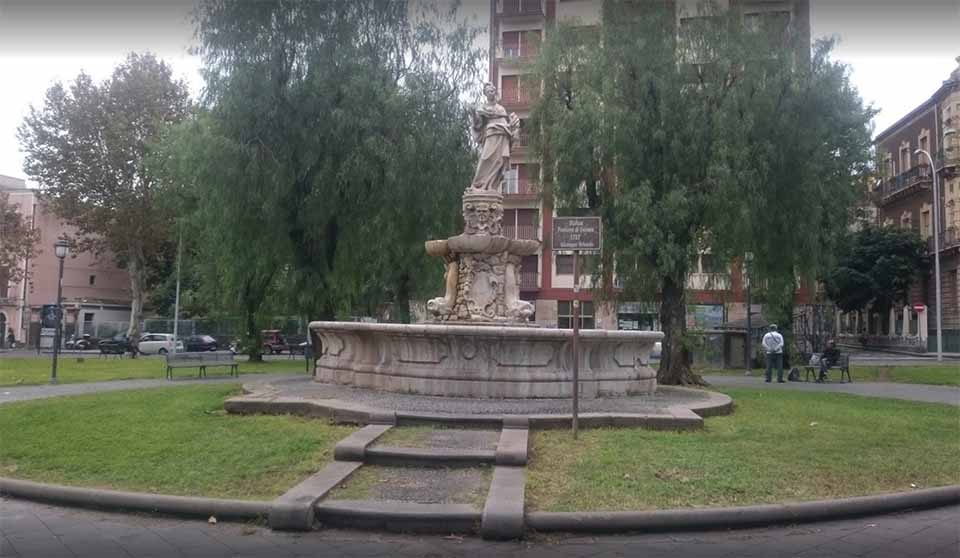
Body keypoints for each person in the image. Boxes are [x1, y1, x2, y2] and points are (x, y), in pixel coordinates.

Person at [469, 82, 520, 192]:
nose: (491, 92)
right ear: (485, 94)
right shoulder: (482, 108)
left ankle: (491, 186)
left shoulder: (501, 108)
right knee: (485, 159)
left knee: (499, 162)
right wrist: (473, 113)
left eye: (492, 90)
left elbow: (507, 122)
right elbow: (478, 124)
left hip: (502, 136)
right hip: (491, 135)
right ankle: (478, 185)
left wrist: (513, 125)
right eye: (488, 91)